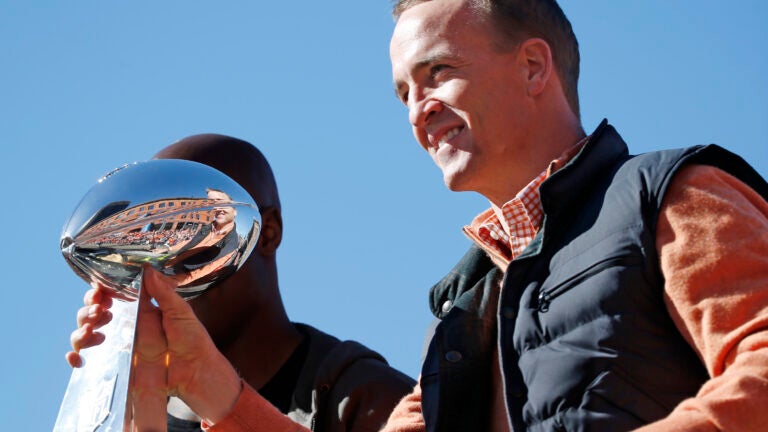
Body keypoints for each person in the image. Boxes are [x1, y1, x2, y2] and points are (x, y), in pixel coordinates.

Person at [383, 1, 768, 431]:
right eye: (405, 94)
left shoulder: (674, 197)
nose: (417, 111)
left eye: (438, 72)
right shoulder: (460, 312)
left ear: (532, 67)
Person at [67, 134, 415, 431]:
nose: (168, 267)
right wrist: (112, 404)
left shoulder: (364, 397)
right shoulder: (141, 408)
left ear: (267, 233)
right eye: (151, 245)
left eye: (195, 231)